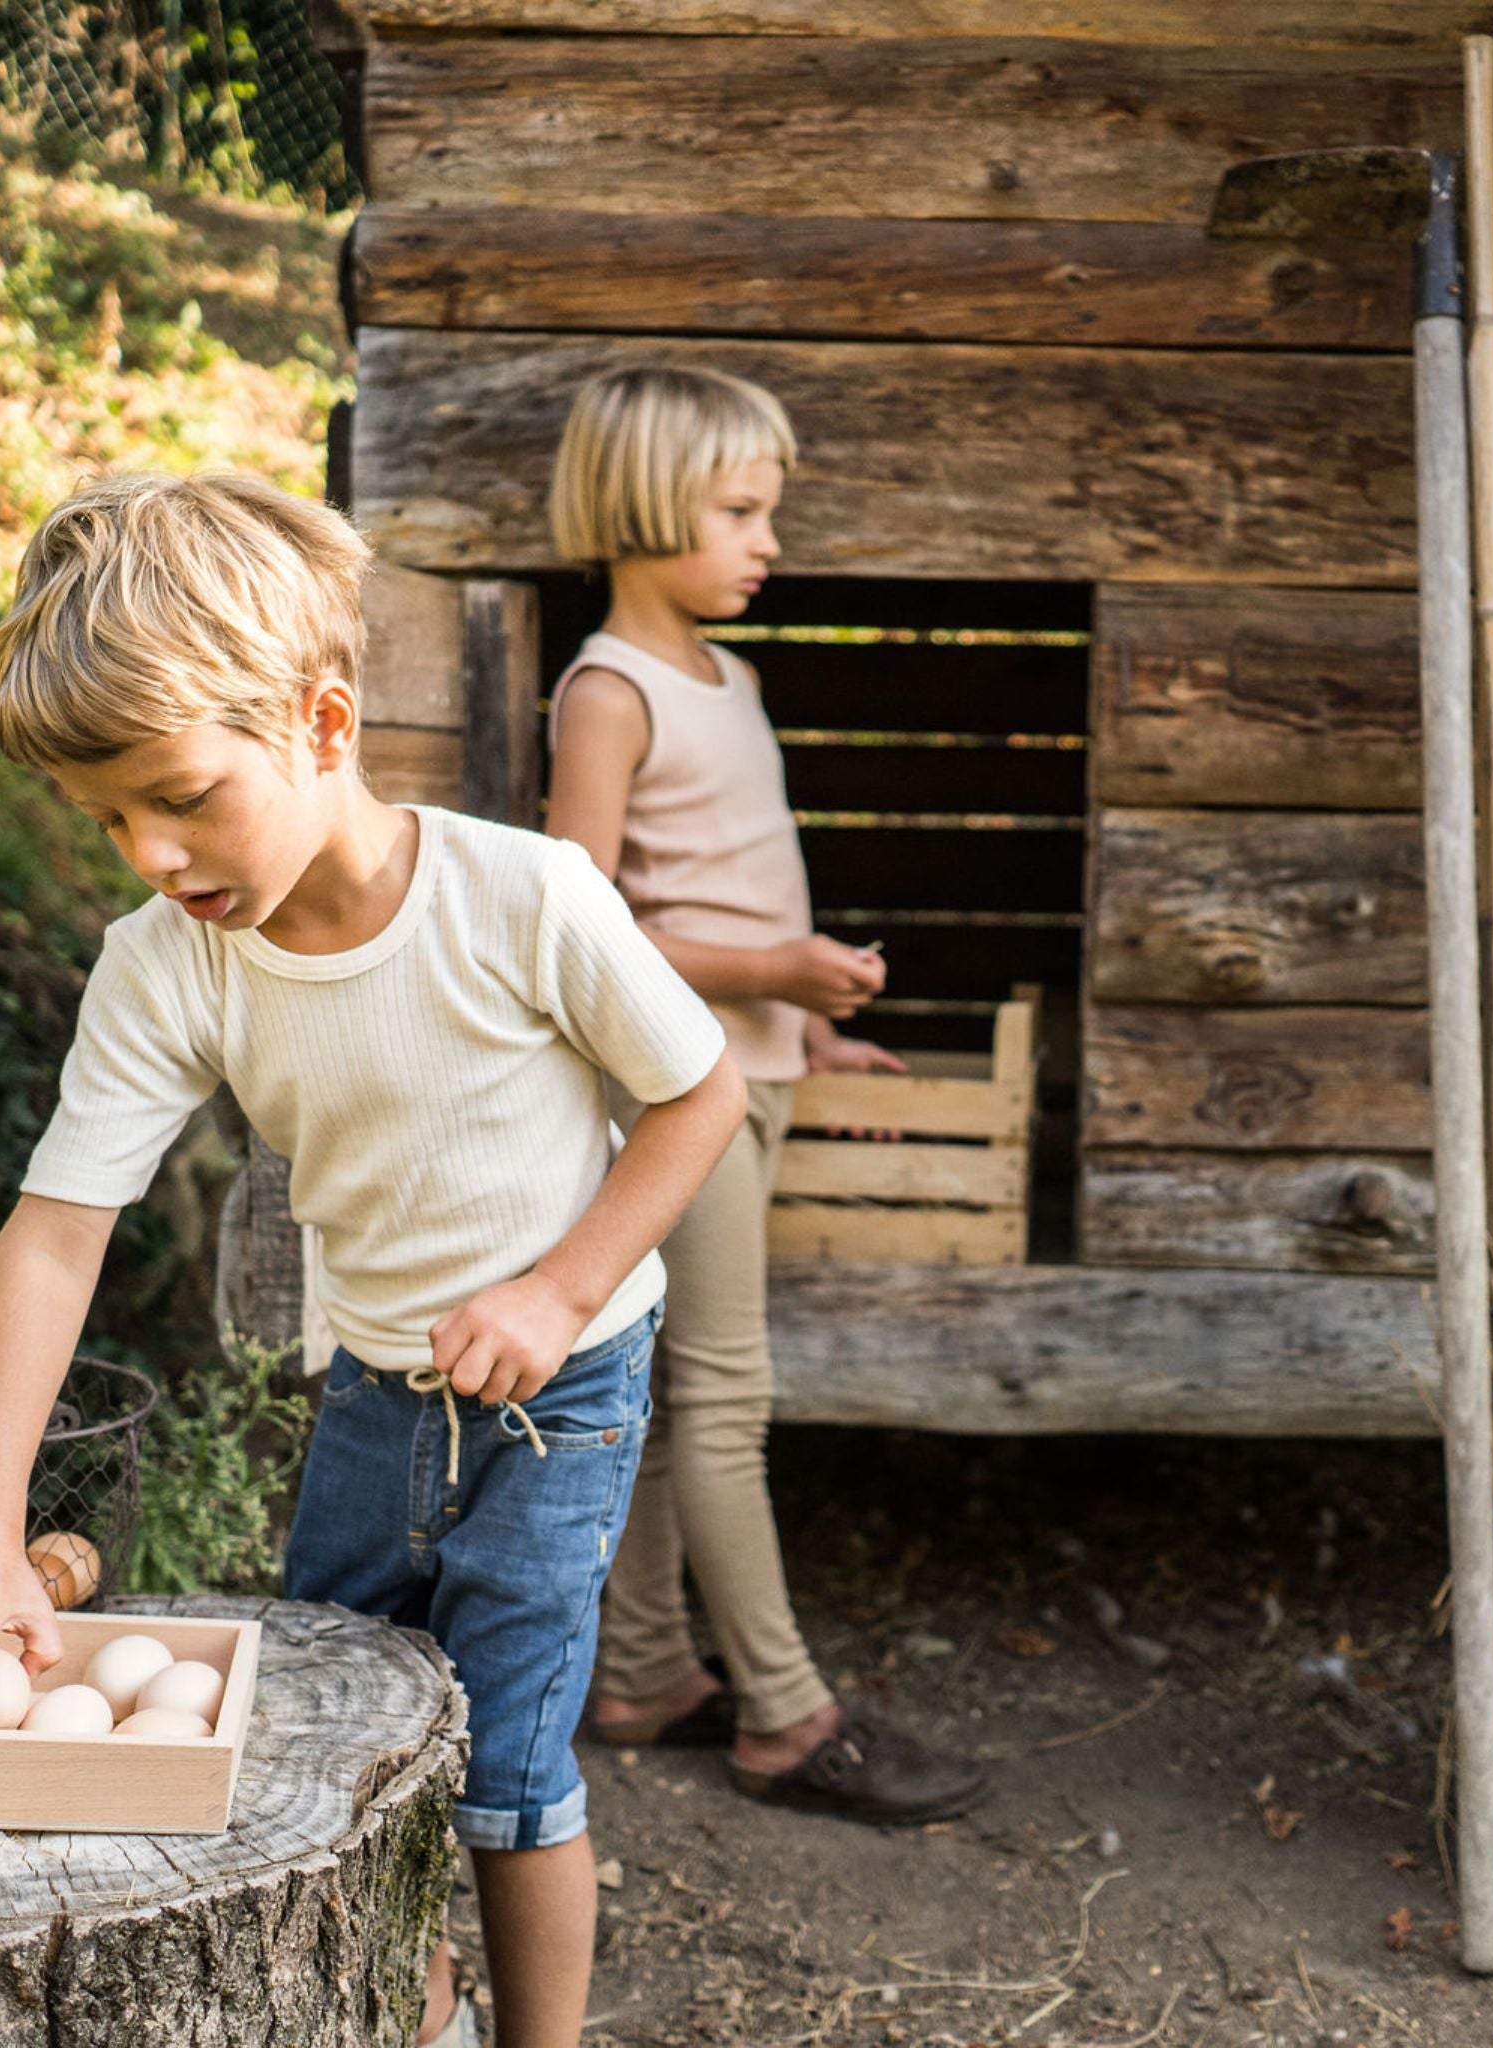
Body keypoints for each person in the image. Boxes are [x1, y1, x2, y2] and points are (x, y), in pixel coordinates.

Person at [0, 470, 746, 2048]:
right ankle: (418, 2025)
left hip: (564, 1396)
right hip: (372, 1391)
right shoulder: (168, 967)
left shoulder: (523, 898)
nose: (152, 853)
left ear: (323, 723)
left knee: (506, 1774)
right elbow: (58, 1235)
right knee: (340, 1741)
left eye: (181, 796)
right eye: (109, 821)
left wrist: (557, 1290)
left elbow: (701, 1095)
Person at [544, 365, 987, 1826]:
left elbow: (730, 883)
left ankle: (642, 1674)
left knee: (684, 1401)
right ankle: (787, 1718)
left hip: (755, 1072)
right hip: (680, 1095)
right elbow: (585, 926)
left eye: (765, 512)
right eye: (739, 512)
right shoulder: (608, 693)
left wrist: (806, 1030)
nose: (769, 542)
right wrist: (780, 970)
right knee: (729, 1396)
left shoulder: (730, 680)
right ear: (646, 506)